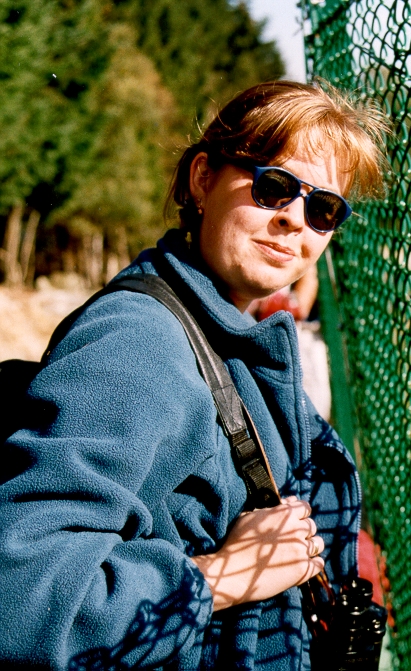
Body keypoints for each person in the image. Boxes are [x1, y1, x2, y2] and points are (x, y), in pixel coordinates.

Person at [0, 80, 388, 669]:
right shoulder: (137, 344)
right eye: (274, 187)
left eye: (324, 209)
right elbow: (21, 598)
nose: (295, 220)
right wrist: (221, 576)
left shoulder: (227, 331)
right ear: (203, 179)